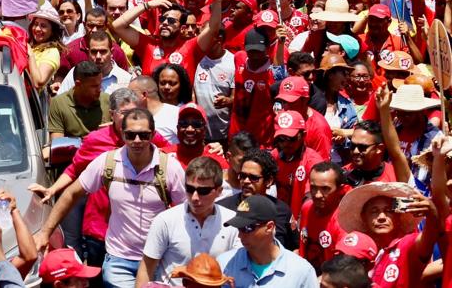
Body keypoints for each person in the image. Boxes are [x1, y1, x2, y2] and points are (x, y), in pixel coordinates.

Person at [33, 108, 186, 287]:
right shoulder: (108, 162)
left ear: (152, 135)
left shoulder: (169, 167)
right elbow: (71, 194)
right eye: (131, 135)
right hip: (118, 260)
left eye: (143, 135)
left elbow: (186, 211)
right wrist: (45, 233)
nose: (137, 141)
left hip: (158, 259)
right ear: (122, 134)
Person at [136, 157, 241, 286]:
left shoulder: (233, 222)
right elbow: (147, 268)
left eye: (203, 191)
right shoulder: (165, 220)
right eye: (190, 189)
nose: (195, 197)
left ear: (219, 191)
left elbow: (239, 269)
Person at [217, 195, 317, 288]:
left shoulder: (302, 271)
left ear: (269, 227)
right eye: (239, 228)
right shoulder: (224, 264)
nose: (240, 235)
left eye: (247, 228)